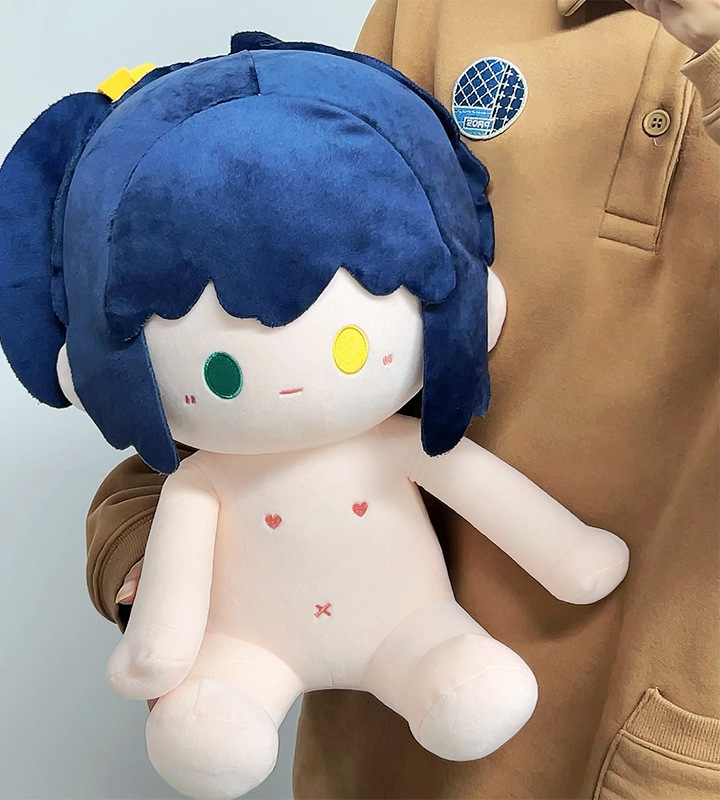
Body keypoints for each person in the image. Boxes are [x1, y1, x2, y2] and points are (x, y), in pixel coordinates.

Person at [85, 1, 720, 797]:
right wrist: (154, 539)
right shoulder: (439, 11)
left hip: (653, 740)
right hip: (386, 746)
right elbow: (278, 284)